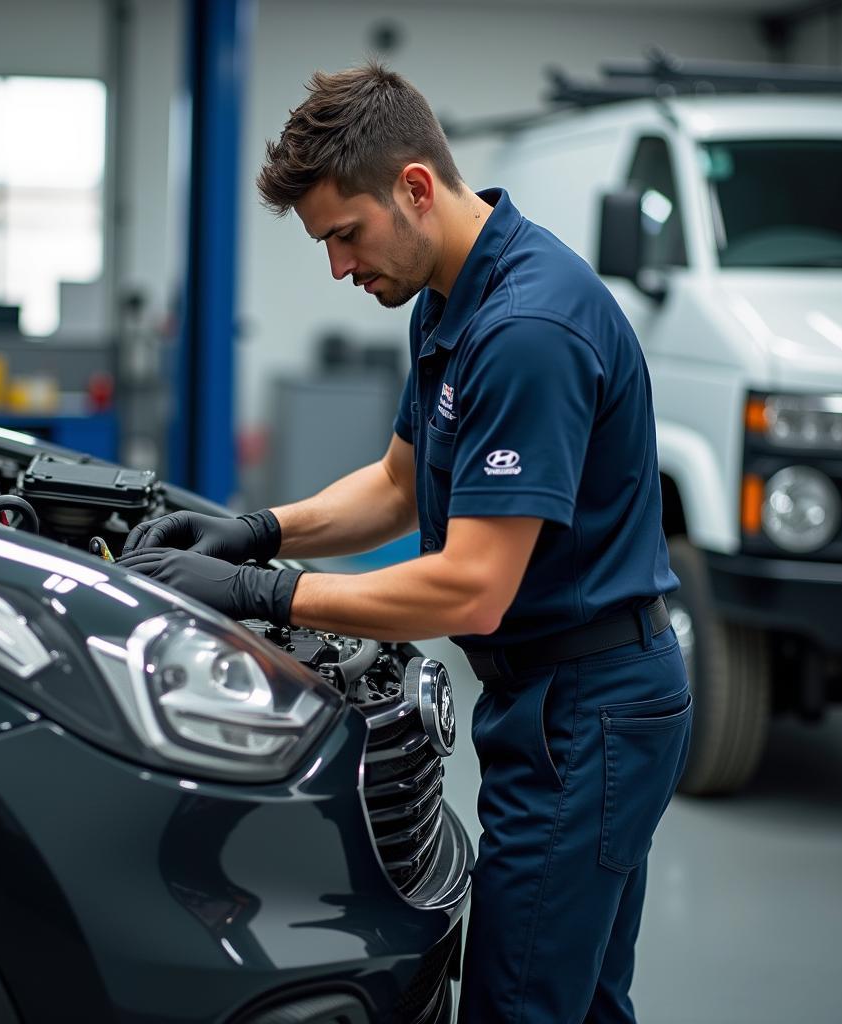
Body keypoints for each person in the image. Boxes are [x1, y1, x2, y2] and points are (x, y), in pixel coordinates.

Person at [119, 62, 692, 1024]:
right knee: (580, 1001)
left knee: (520, 1004)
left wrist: (259, 596)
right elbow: (396, 482)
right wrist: (255, 532)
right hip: (556, 699)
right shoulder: (450, 293)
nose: (340, 268)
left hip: (588, 712)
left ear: (415, 188)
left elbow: (472, 590)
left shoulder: (527, 328)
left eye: (346, 234)